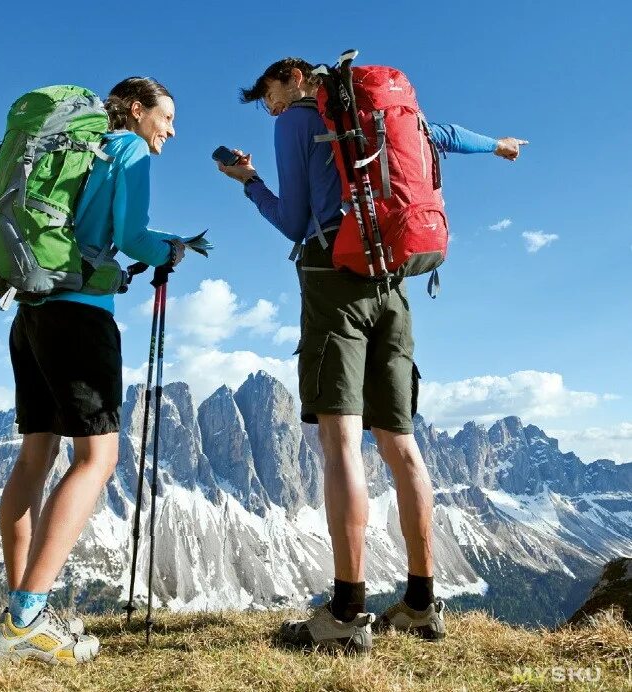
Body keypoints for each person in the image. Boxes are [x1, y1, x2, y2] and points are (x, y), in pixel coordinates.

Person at [217, 57, 527, 653]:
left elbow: (292, 220)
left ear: (297, 79)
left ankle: (345, 614)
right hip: (394, 285)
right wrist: (500, 147)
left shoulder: (298, 124)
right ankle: (420, 603)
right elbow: (445, 135)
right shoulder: (379, 116)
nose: (270, 107)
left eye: (271, 93)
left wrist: (250, 184)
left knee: (340, 445)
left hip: (335, 281)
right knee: (401, 444)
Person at [0, 77, 185, 665]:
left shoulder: (57, 143)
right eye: (166, 117)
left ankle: (21, 607)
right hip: (80, 316)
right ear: (135, 108)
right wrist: (168, 249)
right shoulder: (123, 148)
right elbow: (130, 236)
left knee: (35, 456)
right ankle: (27, 619)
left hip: (29, 313)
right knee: (97, 459)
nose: (169, 130)